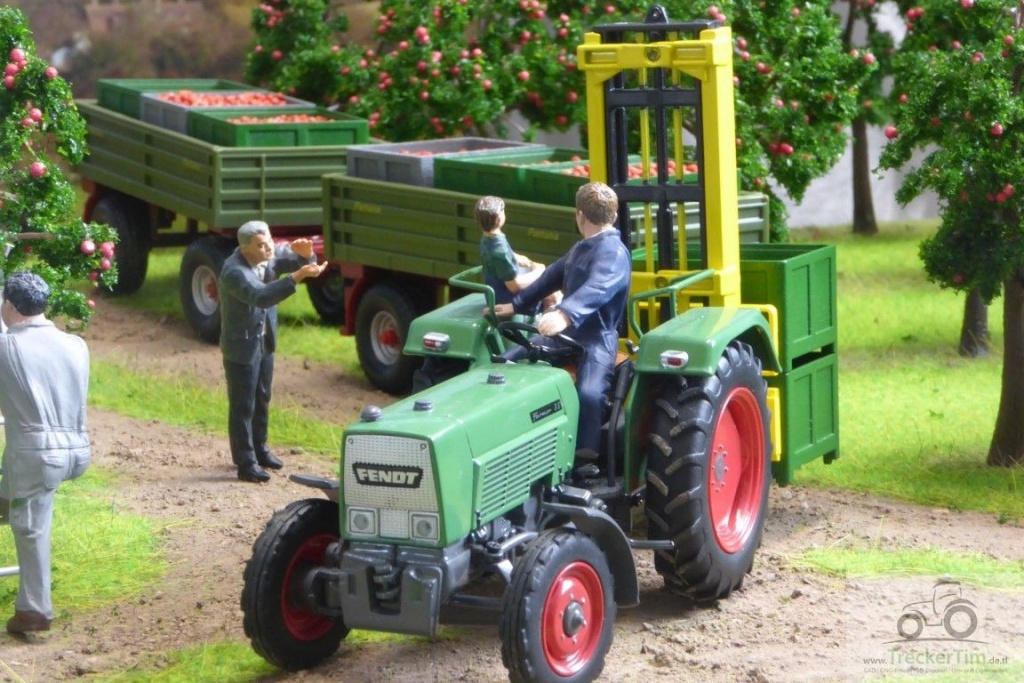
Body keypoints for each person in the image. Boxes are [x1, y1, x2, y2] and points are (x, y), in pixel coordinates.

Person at [494, 182, 631, 457]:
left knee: (589, 394)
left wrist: (565, 314)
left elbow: (598, 287)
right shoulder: (581, 248)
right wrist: (516, 305)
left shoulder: (614, 253)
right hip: (564, 335)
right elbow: (550, 278)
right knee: (505, 362)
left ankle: (586, 455)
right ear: (614, 215)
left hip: (596, 338)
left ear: (579, 215)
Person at [0, 271, 91, 635]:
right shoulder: (75, 344)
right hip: (76, 449)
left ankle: (34, 610)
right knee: (22, 458)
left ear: (9, 305)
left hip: (39, 457)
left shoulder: (8, 346)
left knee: (31, 528)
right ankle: (6, 496)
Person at [219, 220, 325, 483]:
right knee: (243, 404)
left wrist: (307, 255)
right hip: (242, 346)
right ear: (245, 249)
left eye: (269, 240)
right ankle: (246, 462)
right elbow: (262, 296)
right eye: (261, 245)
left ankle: (261, 448)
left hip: (265, 340)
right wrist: (297, 277)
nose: (268, 248)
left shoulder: (270, 253)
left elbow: (296, 260)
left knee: (263, 396)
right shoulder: (234, 272)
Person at [476, 195, 547, 307]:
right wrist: (539, 272)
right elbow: (515, 286)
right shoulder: (499, 251)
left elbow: (502, 256)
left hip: (497, 290)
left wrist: (520, 259)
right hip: (506, 300)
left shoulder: (488, 238)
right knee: (552, 293)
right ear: (498, 218)